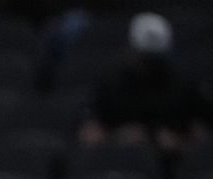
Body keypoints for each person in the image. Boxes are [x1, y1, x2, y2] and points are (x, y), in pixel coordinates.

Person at [81, 12, 210, 150]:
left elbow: (204, 134)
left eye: (155, 60)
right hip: (120, 159)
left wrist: (179, 142)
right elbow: (89, 133)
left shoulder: (183, 86)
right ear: (131, 51)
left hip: (173, 161)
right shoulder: (110, 84)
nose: (150, 68)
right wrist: (116, 137)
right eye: (145, 59)